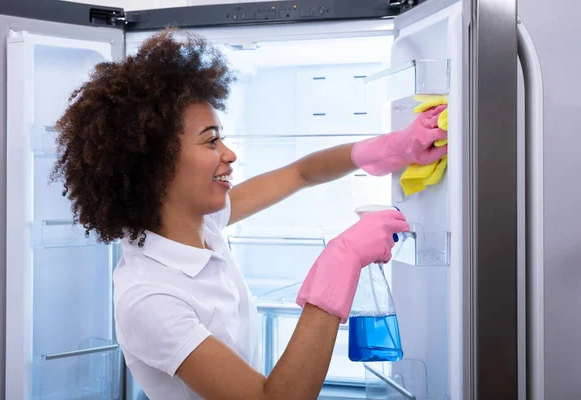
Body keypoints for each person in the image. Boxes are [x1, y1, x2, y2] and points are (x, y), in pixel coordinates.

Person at [50, 29, 447, 400]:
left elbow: (300, 173)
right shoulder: (149, 299)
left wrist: (388, 148)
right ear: (157, 166)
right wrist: (340, 262)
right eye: (211, 141)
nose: (229, 154)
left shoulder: (200, 224)